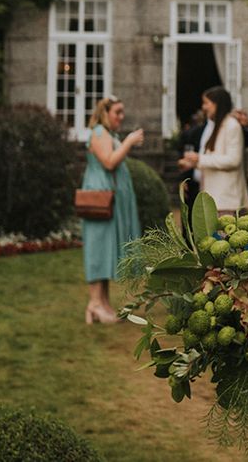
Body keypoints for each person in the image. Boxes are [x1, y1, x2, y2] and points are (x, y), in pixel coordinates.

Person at [82, 96, 144, 325]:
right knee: (98, 247)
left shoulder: (109, 135)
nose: (121, 116)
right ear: (104, 112)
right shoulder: (98, 132)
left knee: (107, 246)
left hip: (111, 198)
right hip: (100, 198)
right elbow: (108, 162)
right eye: (117, 112)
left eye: (122, 112)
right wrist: (128, 142)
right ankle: (95, 304)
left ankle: (103, 303)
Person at [180, 86, 248, 212]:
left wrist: (199, 158)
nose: (204, 107)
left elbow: (233, 160)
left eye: (207, 103)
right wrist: (194, 163)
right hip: (213, 198)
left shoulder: (232, 126)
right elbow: (213, 158)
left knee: (222, 232)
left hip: (226, 199)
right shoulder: (216, 126)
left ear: (218, 104)